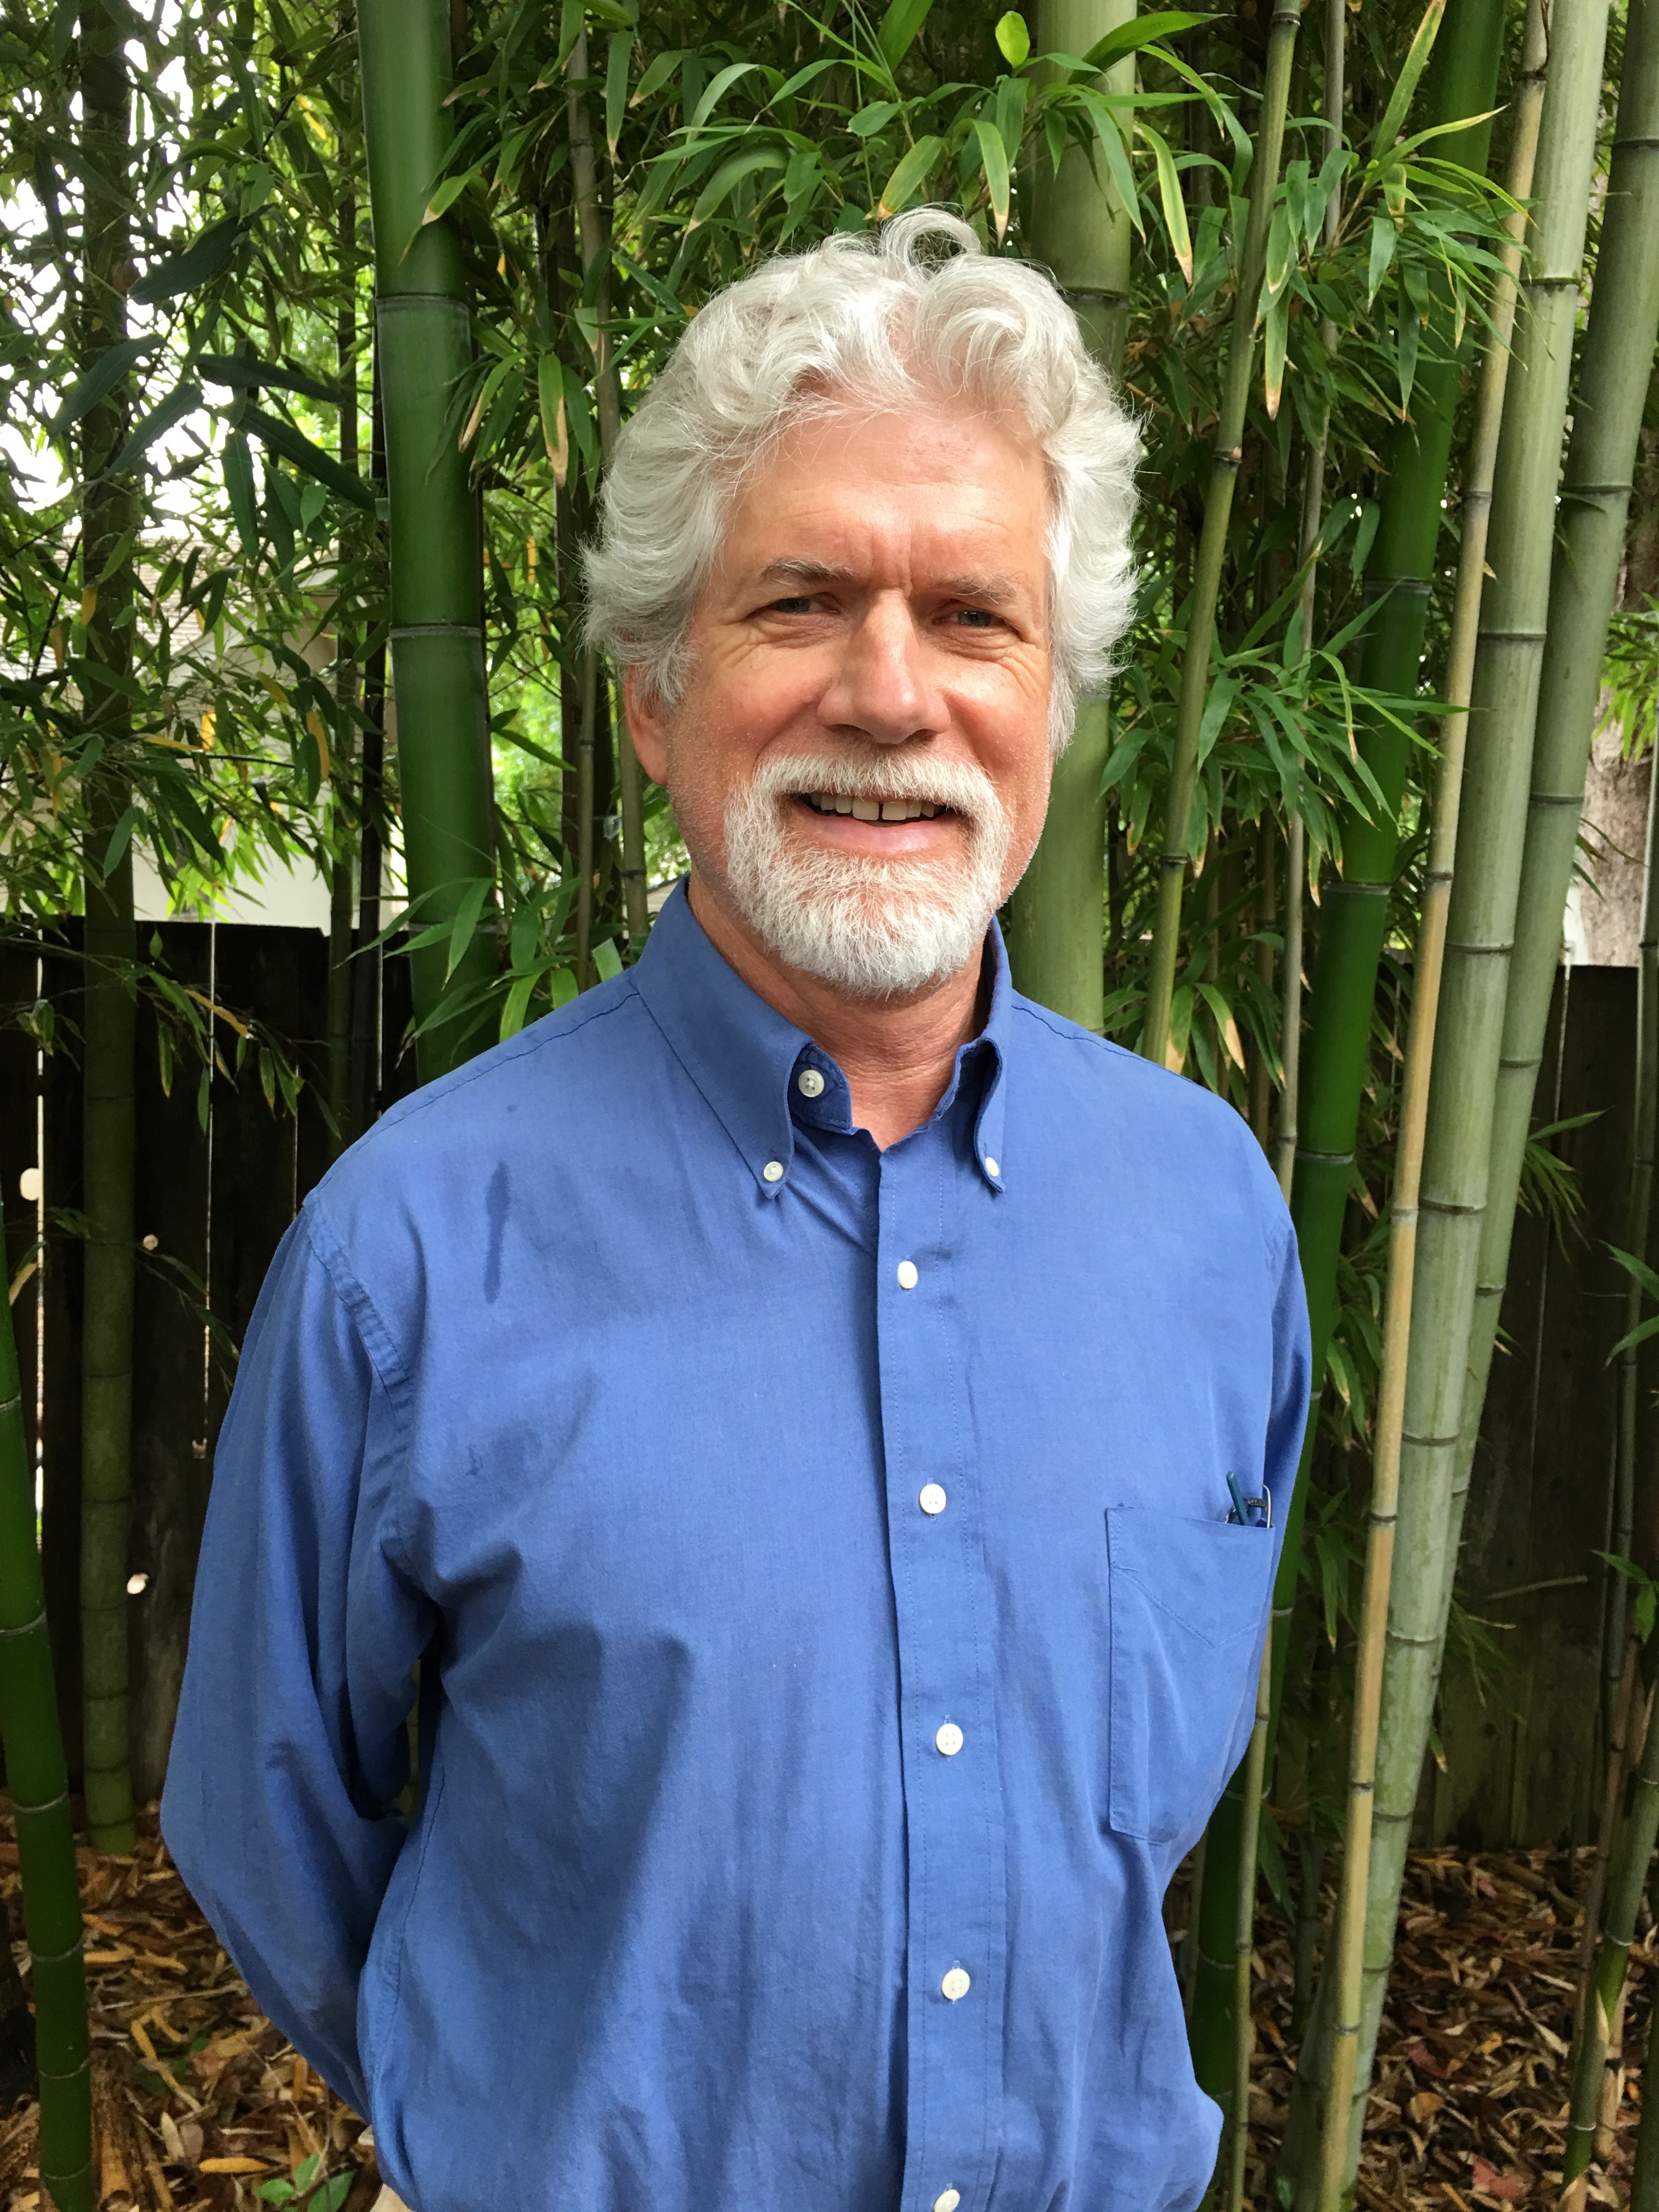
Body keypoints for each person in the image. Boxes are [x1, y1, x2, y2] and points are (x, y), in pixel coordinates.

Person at [162, 207, 1310, 2212]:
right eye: (801, 603)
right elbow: (274, 1830)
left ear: (1055, 708)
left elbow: (1140, 1810)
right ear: (652, 693)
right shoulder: (406, 1256)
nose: (891, 692)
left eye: (975, 618)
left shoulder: (1207, 1218)